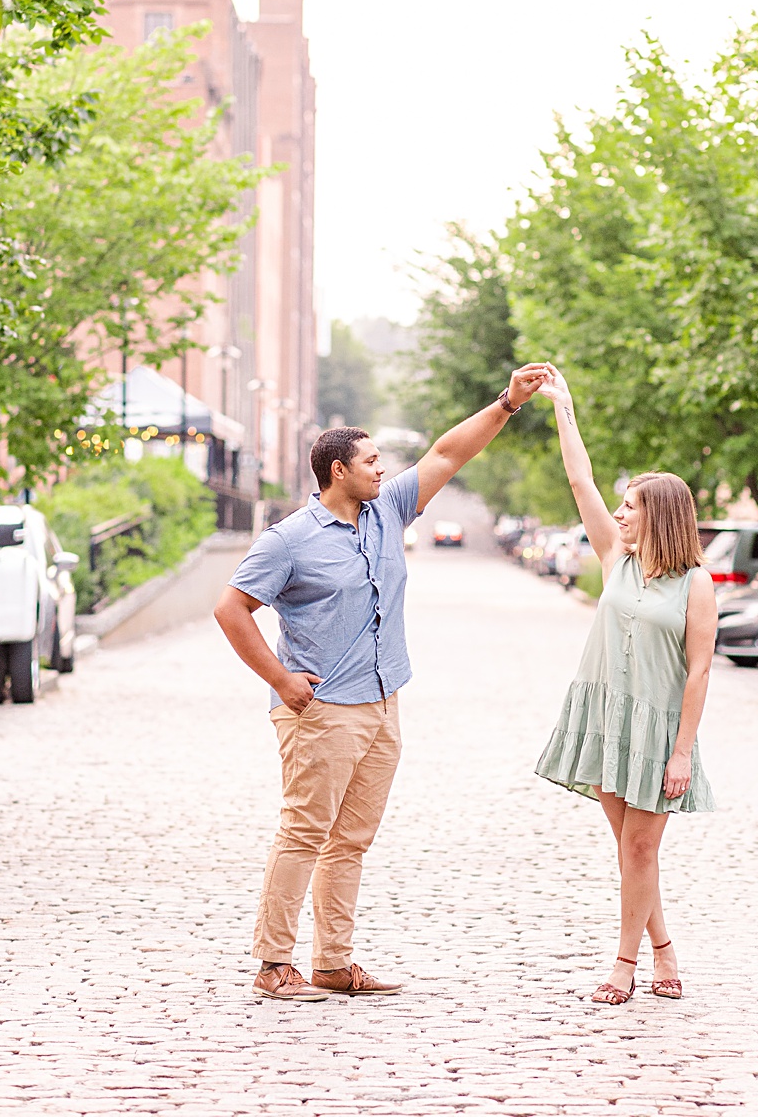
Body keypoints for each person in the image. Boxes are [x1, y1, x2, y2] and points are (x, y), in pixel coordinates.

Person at [214, 365, 548, 1002]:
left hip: (383, 701)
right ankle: (274, 964)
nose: (381, 469)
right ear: (337, 470)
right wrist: (282, 681)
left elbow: (448, 452)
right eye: (370, 461)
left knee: (351, 841)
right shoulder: (290, 540)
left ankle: (333, 963)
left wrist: (507, 403)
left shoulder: (387, 510)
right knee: (304, 832)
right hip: (322, 710)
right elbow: (231, 609)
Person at [533, 364, 716, 1006]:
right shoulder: (616, 557)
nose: (617, 514)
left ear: (659, 514)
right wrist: (564, 407)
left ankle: (624, 964)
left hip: (659, 729)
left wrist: (683, 751)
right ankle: (665, 952)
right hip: (605, 716)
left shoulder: (697, 584)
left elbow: (699, 669)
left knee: (638, 848)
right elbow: (580, 478)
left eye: (629, 506)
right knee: (631, 849)